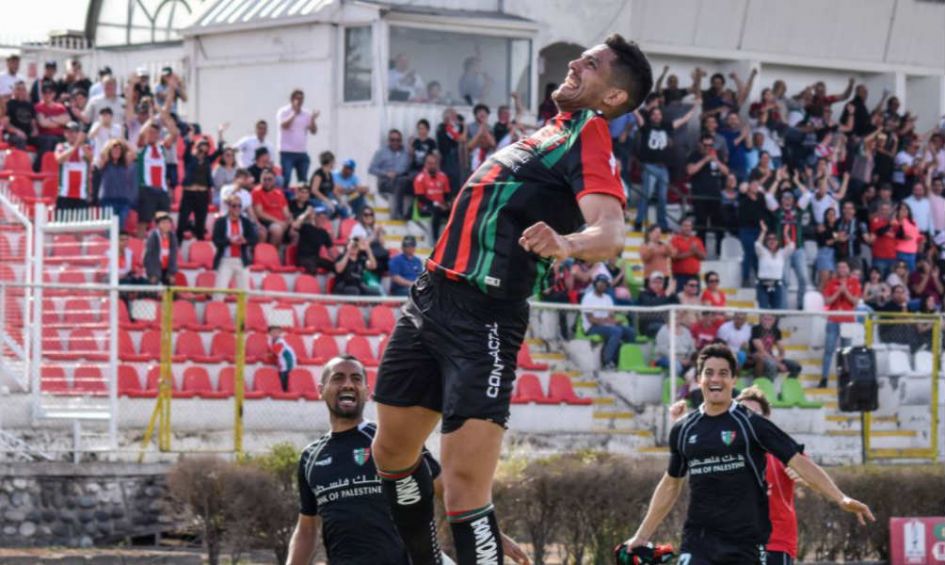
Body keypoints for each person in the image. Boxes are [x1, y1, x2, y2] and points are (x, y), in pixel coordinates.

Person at [371, 33, 651, 565]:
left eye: (590, 64)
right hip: (430, 298)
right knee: (389, 457)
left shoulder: (590, 133)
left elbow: (611, 233)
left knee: (464, 489)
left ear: (613, 97)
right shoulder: (552, 132)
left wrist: (566, 243)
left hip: (485, 319)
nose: (573, 63)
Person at [621, 344, 874, 564]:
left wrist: (840, 498)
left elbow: (797, 461)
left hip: (744, 546)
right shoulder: (683, 429)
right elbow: (671, 483)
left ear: (733, 380)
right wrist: (642, 536)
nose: (715, 379)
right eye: (708, 373)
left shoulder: (752, 424)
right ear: (699, 379)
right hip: (698, 542)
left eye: (723, 373)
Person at [288, 356, 443, 565]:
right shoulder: (310, 457)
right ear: (320, 390)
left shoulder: (390, 439)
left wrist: (491, 533)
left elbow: (447, 490)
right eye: (338, 378)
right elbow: (307, 529)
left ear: (367, 392)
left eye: (356, 378)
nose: (348, 384)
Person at [736, 387, 801, 565]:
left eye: (754, 414)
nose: (748, 419)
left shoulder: (783, 450)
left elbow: (810, 476)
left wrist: (801, 477)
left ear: (765, 419)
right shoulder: (727, 453)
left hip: (775, 542)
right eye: (743, 413)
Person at [633, 102, 698, 231]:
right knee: (646, 195)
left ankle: (662, 225)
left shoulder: (667, 127)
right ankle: (639, 222)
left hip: (663, 168)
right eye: (654, 114)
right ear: (651, 116)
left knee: (663, 198)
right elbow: (637, 115)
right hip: (650, 166)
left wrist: (696, 108)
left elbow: (683, 120)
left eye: (659, 114)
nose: (657, 116)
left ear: (662, 116)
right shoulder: (646, 127)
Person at [134, 94, 179, 238]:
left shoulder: (161, 147)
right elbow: (141, 134)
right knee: (144, 222)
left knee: (164, 221)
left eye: (156, 132)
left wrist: (161, 111)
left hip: (161, 190)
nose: (153, 134)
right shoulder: (142, 148)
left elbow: (174, 132)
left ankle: (163, 248)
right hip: (146, 189)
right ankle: (141, 250)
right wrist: (151, 119)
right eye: (151, 132)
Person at [179, 124, 227, 241]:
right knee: (182, 222)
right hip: (189, 194)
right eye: (202, 145)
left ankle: (200, 249)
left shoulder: (207, 160)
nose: (204, 148)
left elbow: (220, 151)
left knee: (200, 224)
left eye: (206, 146)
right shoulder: (189, 159)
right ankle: (177, 249)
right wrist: (191, 136)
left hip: (203, 194)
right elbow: (187, 149)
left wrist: (220, 133)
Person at [821, 259, 861, 388]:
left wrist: (845, 292)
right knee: (829, 350)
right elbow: (827, 301)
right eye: (839, 267)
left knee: (846, 351)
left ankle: (845, 379)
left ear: (848, 269)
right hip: (833, 319)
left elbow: (855, 301)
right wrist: (839, 291)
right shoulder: (831, 283)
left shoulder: (854, 283)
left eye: (844, 267)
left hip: (848, 321)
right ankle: (824, 378)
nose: (842, 269)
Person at [581, 275, 636, 369]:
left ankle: (625, 360)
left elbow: (611, 316)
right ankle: (607, 361)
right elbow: (591, 320)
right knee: (616, 331)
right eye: (600, 283)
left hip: (606, 326)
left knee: (630, 331)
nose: (602, 285)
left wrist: (615, 321)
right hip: (592, 327)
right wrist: (609, 322)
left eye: (605, 283)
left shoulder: (608, 298)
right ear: (595, 283)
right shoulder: (588, 297)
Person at [687, 133, 729, 252]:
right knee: (701, 226)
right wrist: (705, 160)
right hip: (700, 196)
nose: (708, 148)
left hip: (715, 196)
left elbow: (726, 172)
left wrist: (716, 160)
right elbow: (690, 170)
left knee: (719, 225)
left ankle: (719, 251)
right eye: (705, 145)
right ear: (700, 144)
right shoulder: (694, 156)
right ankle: (702, 251)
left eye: (710, 145)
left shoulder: (718, 155)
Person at [212, 196, 258, 297]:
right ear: (229, 207)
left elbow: (254, 238)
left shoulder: (245, 222)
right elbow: (216, 240)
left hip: (241, 260)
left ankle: (242, 313)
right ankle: (216, 311)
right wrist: (229, 241)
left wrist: (245, 240)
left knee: (245, 294)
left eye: (239, 206)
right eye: (234, 206)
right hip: (225, 260)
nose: (237, 208)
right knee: (219, 293)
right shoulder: (220, 222)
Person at [277, 90, 318, 185]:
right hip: (287, 152)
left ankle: (302, 198)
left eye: (302, 99)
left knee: (303, 181)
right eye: (297, 98)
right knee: (286, 178)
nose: (300, 101)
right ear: (292, 99)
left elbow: (313, 131)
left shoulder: (306, 113)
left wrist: (313, 119)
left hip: (301, 152)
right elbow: (284, 126)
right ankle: (284, 198)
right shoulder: (284, 111)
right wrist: (294, 113)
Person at [369, 129, 412, 218]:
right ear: (388, 140)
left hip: (401, 180)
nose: (395, 142)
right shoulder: (381, 152)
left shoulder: (406, 153)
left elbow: (407, 168)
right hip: (385, 182)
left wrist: (397, 173)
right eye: (392, 140)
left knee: (414, 182)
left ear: (401, 141)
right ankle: (397, 214)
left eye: (398, 140)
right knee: (400, 182)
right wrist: (386, 173)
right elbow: (371, 169)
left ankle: (411, 214)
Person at [96, 138, 138, 227]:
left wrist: (122, 141)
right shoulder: (105, 163)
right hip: (107, 199)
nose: (116, 151)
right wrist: (111, 142)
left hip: (123, 200)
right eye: (114, 149)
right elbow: (102, 153)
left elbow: (134, 153)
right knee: (109, 226)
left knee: (120, 226)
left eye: (119, 149)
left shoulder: (125, 163)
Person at [53, 122, 94, 210]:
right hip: (64, 194)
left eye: (73, 131)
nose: (70, 134)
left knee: (80, 223)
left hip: (82, 195)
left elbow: (90, 158)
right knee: (61, 223)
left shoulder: (86, 147)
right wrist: (76, 145)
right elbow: (59, 159)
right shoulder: (61, 146)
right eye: (67, 131)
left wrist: (81, 143)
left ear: (78, 133)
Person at [755, 220, 793, 310]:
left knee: (776, 312)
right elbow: (757, 244)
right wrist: (763, 231)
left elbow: (791, 246)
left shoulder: (782, 253)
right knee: (763, 311)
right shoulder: (762, 252)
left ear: (778, 241)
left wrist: (785, 234)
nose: (772, 241)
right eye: (769, 239)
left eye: (774, 239)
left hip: (776, 285)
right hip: (762, 285)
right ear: (766, 241)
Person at [750, 313, 801, 380]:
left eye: (770, 319)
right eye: (765, 319)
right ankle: (769, 387)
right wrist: (778, 364)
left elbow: (782, 350)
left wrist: (780, 358)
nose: (767, 322)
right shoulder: (755, 329)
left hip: (770, 357)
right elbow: (761, 351)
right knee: (772, 365)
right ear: (760, 319)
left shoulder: (776, 331)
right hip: (759, 356)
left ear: (774, 320)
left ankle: (788, 386)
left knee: (796, 366)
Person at [413, 153, 452, 240]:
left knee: (455, 211)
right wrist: (436, 204)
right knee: (436, 211)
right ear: (425, 164)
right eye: (429, 163)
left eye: (434, 163)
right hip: (425, 206)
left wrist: (447, 204)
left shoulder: (443, 176)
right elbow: (420, 197)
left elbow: (447, 194)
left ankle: (453, 238)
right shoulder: (420, 178)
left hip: (441, 205)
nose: (432, 166)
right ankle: (435, 240)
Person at [253, 168, 292, 246]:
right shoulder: (257, 192)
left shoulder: (279, 193)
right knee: (277, 230)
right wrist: (278, 222)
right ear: (260, 180)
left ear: (274, 180)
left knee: (299, 231)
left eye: (269, 179)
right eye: (264, 179)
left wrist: (289, 221)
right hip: (266, 222)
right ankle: (271, 254)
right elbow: (260, 213)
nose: (267, 182)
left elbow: (286, 212)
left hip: (280, 222)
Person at [295, 208, 335, 274]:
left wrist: (339, 260)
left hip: (315, 258)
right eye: (321, 218)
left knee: (335, 266)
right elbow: (295, 225)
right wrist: (305, 214)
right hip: (304, 258)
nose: (322, 220)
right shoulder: (306, 227)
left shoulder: (324, 233)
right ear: (316, 218)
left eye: (324, 219)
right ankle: (310, 283)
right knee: (312, 267)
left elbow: (331, 250)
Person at [669, 217, 706, 289]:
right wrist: (691, 252)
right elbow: (674, 257)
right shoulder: (675, 240)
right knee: (680, 298)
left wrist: (696, 251)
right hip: (680, 276)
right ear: (681, 227)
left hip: (694, 275)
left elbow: (703, 257)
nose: (687, 228)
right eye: (685, 226)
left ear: (692, 227)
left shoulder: (697, 240)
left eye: (689, 226)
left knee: (695, 299)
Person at [143, 212, 178, 286]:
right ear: (158, 225)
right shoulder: (153, 237)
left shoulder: (173, 237)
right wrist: (152, 273)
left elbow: (173, 256)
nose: (166, 225)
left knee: (171, 289)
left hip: (167, 269)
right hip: (155, 269)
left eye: (168, 223)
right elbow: (149, 256)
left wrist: (172, 273)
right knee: (153, 290)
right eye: (163, 223)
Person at [309, 151, 339, 215]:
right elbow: (314, 190)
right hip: (315, 199)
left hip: (326, 198)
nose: (334, 163)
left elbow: (333, 190)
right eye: (333, 162)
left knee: (340, 208)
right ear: (329, 162)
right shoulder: (319, 174)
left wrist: (340, 200)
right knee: (328, 208)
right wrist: (326, 200)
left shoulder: (330, 174)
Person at [268, 326, 297, 392]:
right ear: (269, 333)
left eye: (277, 332)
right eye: (273, 332)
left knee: (284, 382)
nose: (275, 333)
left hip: (287, 364)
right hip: (282, 364)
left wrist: (265, 356)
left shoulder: (280, 342)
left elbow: (274, 353)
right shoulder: (272, 341)